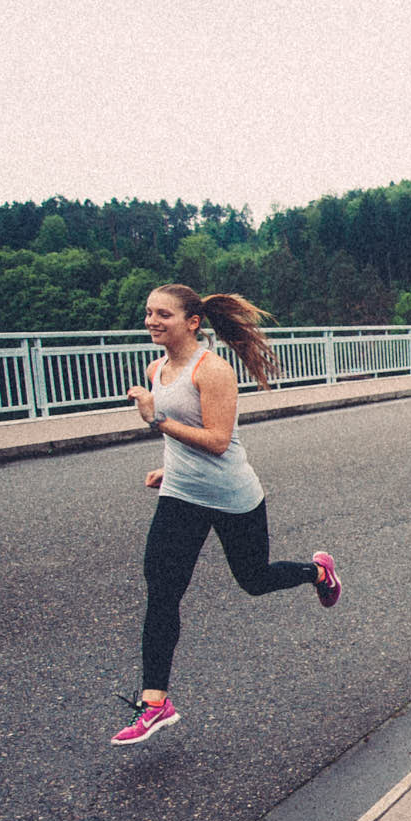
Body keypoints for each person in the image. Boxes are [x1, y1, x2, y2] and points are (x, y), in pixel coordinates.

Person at [112, 285, 341, 746]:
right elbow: (182, 437)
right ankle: (155, 702)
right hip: (181, 495)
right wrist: (168, 466)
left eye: (163, 315)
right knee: (162, 591)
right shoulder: (156, 368)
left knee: (253, 579)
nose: (152, 321)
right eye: (148, 313)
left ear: (192, 322)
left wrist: (156, 420)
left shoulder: (212, 371)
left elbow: (217, 440)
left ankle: (318, 572)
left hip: (233, 495)